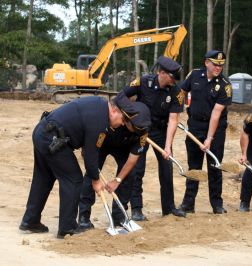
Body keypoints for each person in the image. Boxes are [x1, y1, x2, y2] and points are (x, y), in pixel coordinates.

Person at [19, 95, 139, 239]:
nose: (123, 124)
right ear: (114, 111)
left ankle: (30, 220)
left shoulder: (99, 106)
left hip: (42, 132)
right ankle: (67, 228)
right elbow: (90, 154)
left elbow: (87, 142)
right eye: (123, 119)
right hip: (53, 139)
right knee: (73, 180)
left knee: (43, 178)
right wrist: (95, 180)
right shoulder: (100, 120)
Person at [123, 55, 186, 220]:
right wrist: (130, 116)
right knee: (138, 169)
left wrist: (168, 146)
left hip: (161, 131)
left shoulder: (176, 91)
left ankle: (169, 208)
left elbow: (173, 119)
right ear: (162, 73)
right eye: (172, 77)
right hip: (141, 131)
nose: (174, 81)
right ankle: (136, 209)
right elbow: (121, 97)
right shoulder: (143, 82)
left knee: (167, 168)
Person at [78, 93, 151, 230]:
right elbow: (92, 133)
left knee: (129, 175)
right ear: (127, 119)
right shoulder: (116, 117)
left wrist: (117, 180)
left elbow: (133, 158)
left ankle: (119, 217)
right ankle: (84, 216)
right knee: (91, 173)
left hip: (124, 148)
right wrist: (87, 151)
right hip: (103, 143)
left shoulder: (143, 129)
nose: (136, 131)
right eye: (133, 128)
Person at [178, 50, 232, 214]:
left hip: (215, 131)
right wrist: (177, 108)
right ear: (206, 62)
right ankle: (188, 204)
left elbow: (216, 114)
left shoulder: (225, 85)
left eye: (221, 65)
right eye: (215, 64)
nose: (218, 68)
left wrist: (209, 138)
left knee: (215, 166)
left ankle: (216, 204)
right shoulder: (194, 75)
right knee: (194, 167)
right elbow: (181, 90)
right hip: (194, 126)